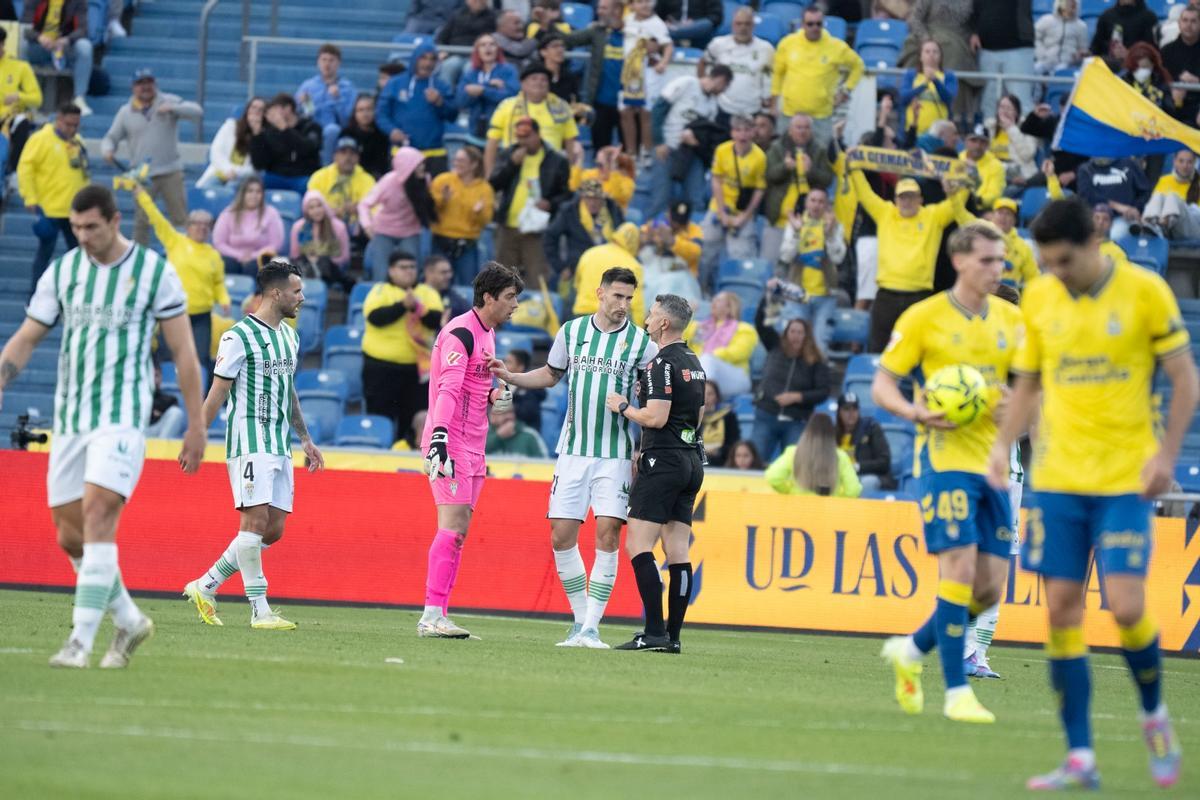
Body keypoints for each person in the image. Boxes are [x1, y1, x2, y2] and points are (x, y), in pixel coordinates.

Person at [988, 197, 1198, 790]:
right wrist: (1002, 447)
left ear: (1092, 242)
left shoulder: (1144, 292)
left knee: (1127, 607)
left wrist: (1166, 455)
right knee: (1061, 611)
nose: (1055, 272)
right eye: (1046, 262)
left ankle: (1154, 712)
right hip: (1056, 480)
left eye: (1062, 261)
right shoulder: (1042, 297)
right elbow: (1027, 384)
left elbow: (1185, 380)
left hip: (1125, 477)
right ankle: (1080, 755)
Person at [0, 184, 207, 668]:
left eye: (91, 226)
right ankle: (130, 621)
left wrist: (196, 424)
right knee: (70, 537)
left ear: (114, 221)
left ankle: (79, 643)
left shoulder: (154, 273)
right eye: (76, 227)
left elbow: (183, 354)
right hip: (72, 419)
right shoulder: (65, 271)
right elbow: (28, 337)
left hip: (121, 417)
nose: (83, 236)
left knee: (97, 514)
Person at [873, 220, 1024, 725]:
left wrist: (1016, 414)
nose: (995, 269)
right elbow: (883, 385)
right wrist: (915, 413)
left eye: (1000, 260)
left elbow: (1031, 393)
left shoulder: (1011, 320)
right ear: (959, 260)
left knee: (988, 591)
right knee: (958, 571)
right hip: (943, 460)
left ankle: (911, 651)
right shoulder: (924, 318)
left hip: (995, 464)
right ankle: (957, 693)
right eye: (986, 260)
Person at [492, 268, 656, 646]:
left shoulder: (641, 344)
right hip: (573, 451)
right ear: (599, 293)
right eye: (617, 296)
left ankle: (592, 627)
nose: (624, 305)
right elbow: (551, 375)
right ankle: (580, 621)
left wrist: (643, 446)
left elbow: (652, 400)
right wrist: (513, 378)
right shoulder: (572, 332)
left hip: (614, 455)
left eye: (630, 298)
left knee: (608, 533)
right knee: (562, 535)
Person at [182, 260, 323, 631]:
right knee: (254, 520)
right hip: (249, 439)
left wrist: (305, 438)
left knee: (273, 529)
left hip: (279, 442)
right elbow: (218, 392)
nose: (302, 298)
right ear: (275, 293)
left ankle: (205, 585)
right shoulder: (237, 336)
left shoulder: (290, 337)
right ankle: (260, 610)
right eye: (296, 291)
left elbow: (289, 391)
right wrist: (196, 432)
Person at [418, 262, 524, 638]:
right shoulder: (460, 333)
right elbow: (446, 389)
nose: (515, 305)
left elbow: (471, 387)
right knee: (452, 528)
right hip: (452, 442)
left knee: (459, 532)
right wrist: (440, 437)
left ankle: (440, 613)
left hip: (474, 446)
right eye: (510, 297)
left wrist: (494, 394)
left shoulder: (487, 334)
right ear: (489, 296)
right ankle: (431, 615)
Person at [606, 293, 705, 653]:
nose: (646, 321)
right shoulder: (694, 361)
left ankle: (653, 632)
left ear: (664, 323)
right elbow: (696, 417)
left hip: (663, 461)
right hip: (692, 460)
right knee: (677, 551)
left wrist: (625, 407)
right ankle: (672, 637)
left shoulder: (661, 363)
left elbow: (657, 418)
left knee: (637, 545)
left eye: (651, 316)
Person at [847, 160, 968, 353]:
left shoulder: (933, 216)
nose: (907, 201)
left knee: (920, 352)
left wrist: (964, 176)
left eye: (912, 197)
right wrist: (854, 168)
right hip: (886, 296)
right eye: (902, 197)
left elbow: (958, 204)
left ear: (921, 199)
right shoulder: (885, 213)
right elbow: (865, 194)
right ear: (895, 200)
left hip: (919, 297)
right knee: (877, 352)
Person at [125, 182, 230, 380]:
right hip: (175, 312)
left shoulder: (213, 255)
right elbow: (156, 218)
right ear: (188, 227)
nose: (201, 228)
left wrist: (223, 299)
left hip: (201, 316)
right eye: (196, 224)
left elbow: (218, 283)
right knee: (166, 356)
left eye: (205, 225)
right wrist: (142, 196)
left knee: (199, 360)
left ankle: (198, 403)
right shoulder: (175, 241)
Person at [102, 68, 201, 246]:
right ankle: (140, 261)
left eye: (148, 82)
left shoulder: (168, 101)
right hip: (141, 176)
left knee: (180, 218)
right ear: (133, 87)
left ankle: (186, 256)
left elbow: (197, 112)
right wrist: (108, 149)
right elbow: (111, 137)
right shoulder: (126, 111)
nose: (145, 87)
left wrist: (173, 108)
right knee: (141, 221)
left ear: (154, 84)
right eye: (140, 83)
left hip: (171, 170)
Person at [362, 250, 444, 442]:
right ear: (391, 270)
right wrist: (402, 305)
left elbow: (436, 321)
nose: (409, 271)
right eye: (403, 267)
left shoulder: (427, 293)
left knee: (414, 420)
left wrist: (416, 307)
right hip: (380, 369)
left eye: (412, 267)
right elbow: (376, 318)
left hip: (416, 371)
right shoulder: (379, 291)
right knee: (380, 417)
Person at [489, 116, 571, 285]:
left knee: (536, 278)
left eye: (527, 137)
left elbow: (566, 195)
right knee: (503, 280)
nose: (523, 141)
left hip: (537, 228)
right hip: (508, 226)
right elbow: (493, 185)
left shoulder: (557, 159)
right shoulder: (509, 154)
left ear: (538, 134)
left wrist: (550, 204)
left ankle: (536, 310)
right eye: (520, 137)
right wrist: (511, 164)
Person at [17, 102, 87, 294]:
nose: (72, 129)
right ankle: (35, 298)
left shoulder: (78, 142)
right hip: (49, 208)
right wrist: (29, 197)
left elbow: (82, 174)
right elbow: (25, 168)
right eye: (68, 124)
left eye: (76, 125)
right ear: (58, 119)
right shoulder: (41, 139)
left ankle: (76, 296)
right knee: (44, 254)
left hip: (74, 210)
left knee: (81, 256)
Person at [771, 5, 864, 147]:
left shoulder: (836, 46)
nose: (815, 27)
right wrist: (773, 103)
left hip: (821, 115)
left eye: (818, 24)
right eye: (810, 24)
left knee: (820, 160)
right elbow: (777, 74)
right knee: (786, 157)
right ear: (802, 25)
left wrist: (846, 90)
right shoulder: (787, 43)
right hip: (790, 113)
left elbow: (858, 65)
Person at [751, 307, 830, 461]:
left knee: (794, 465)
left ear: (807, 336)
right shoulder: (775, 346)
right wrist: (768, 297)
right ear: (786, 333)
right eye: (792, 331)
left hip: (797, 420)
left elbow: (824, 391)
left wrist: (798, 397)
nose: (796, 336)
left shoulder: (816, 361)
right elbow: (760, 323)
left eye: (800, 332)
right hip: (766, 414)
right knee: (756, 460)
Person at [699, 115, 766, 293]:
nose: (742, 135)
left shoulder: (759, 157)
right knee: (707, 253)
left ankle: (737, 295)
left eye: (746, 130)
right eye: (738, 130)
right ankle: (704, 289)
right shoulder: (722, 150)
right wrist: (721, 212)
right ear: (732, 132)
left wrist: (745, 217)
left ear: (753, 132)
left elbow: (759, 189)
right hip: (719, 207)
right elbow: (716, 180)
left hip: (743, 213)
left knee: (741, 256)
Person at [653, 66, 732, 215]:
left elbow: (708, 136)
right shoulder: (686, 83)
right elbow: (658, 109)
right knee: (660, 199)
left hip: (691, 153)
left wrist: (696, 143)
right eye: (725, 85)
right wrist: (659, 142)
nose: (724, 90)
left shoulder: (713, 104)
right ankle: (650, 233)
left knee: (696, 199)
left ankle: (692, 236)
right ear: (720, 79)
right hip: (668, 146)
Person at [762, 114, 836, 264]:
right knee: (770, 264)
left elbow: (828, 180)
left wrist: (811, 171)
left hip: (808, 223)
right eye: (798, 127)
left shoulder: (820, 150)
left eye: (806, 127)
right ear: (790, 130)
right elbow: (768, 175)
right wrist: (785, 167)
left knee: (800, 267)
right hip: (777, 219)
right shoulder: (777, 147)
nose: (802, 131)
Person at [484, 62, 580, 177]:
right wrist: (489, 175)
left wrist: (568, 173)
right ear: (523, 84)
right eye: (534, 79)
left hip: (550, 172)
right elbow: (492, 143)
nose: (539, 83)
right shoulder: (507, 106)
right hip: (514, 169)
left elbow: (570, 141)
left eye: (544, 79)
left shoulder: (561, 107)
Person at [378, 41, 457, 176]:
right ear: (415, 58)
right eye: (423, 57)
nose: (427, 63)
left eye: (432, 59)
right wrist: (391, 131)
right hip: (402, 153)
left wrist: (439, 102)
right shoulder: (395, 83)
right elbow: (381, 114)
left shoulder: (442, 86)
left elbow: (453, 115)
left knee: (434, 196)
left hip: (434, 154)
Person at [359, 147, 434, 281]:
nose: (423, 167)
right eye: (418, 165)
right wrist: (367, 225)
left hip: (410, 231)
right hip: (384, 231)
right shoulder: (388, 182)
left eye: (423, 163)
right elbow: (364, 204)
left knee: (410, 274)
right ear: (407, 167)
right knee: (381, 274)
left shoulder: (425, 181)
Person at [563, 0, 629, 150]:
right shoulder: (596, 32)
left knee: (628, 156)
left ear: (617, 11)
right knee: (599, 153)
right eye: (598, 8)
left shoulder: (635, 33)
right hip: (600, 104)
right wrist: (548, 23)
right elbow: (568, 40)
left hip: (628, 106)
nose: (599, 11)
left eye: (604, 8)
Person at [430, 145, 495, 286]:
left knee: (468, 284)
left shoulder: (484, 188)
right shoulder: (443, 180)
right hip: (441, 240)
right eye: (456, 160)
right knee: (437, 283)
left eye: (461, 160)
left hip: (467, 244)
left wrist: (478, 213)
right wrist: (442, 200)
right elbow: (430, 210)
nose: (456, 163)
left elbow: (486, 220)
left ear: (474, 164)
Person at [620, 0, 673, 165]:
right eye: (640, 2)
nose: (645, 5)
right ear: (632, 5)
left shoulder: (657, 23)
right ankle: (631, 152)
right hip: (629, 73)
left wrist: (664, 62)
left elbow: (668, 45)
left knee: (646, 113)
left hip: (649, 73)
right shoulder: (627, 20)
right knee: (626, 111)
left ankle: (647, 151)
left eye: (647, 2)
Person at [699, 6, 775, 120]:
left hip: (752, 111)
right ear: (732, 25)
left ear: (753, 25)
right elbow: (703, 62)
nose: (742, 28)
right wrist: (704, 84)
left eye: (747, 24)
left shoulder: (766, 49)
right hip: (722, 109)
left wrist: (769, 105)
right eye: (738, 23)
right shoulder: (718, 44)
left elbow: (771, 79)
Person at [21, 0, 93, 115]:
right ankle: (24, 98)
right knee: (22, 46)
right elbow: (25, 28)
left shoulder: (78, 2)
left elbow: (83, 30)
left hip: (64, 47)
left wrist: (66, 40)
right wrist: (39, 37)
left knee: (85, 47)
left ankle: (79, 98)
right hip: (40, 47)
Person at [765, 412, 863, 498]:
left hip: (797, 512)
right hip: (829, 513)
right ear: (832, 432)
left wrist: (789, 492)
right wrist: (836, 500)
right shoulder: (841, 457)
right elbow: (853, 490)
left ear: (807, 431)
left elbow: (773, 477)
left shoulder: (793, 452)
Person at [545, 177, 624, 279]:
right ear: (582, 198)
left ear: (602, 198)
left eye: (596, 198)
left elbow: (623, 235)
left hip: (610, 270)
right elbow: (550, 237)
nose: (592, 203)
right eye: (588, 198)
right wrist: (560, 267)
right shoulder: (569, 211)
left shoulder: (612, 209)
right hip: (579, 270)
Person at [969, 0, 1036, 118]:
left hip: (1019, 48)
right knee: (988, 100)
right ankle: (988, 133)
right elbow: (974, 10)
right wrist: (973, 32)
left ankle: (1023, 134)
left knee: (1020, 99)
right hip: (986, 49)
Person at [684, 291, 757, 398]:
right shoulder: (700, 326)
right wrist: (688, 315)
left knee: (707, 359)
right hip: (701, 372)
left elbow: (739, 352)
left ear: (729, 308)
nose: (713, 302)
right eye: (713, 299)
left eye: (718, 300)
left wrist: (708, 356)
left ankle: (700, 401)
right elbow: (680, 339)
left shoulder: (745, 329)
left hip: (735, 378)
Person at [295, 43, 358, 165]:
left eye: (331, 60)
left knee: (331, 130)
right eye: (323, 60)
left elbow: (349, 118)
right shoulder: (307, 86)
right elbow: (298, 114)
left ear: (338, 63)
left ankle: (326, 168)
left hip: (336, 131)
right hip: (311, 128)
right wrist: (302, 104)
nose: (327, 64)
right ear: (318, 62)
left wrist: (337, 99)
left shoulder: (348, 88)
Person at [249, 93, 322, 194]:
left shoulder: (310, 126)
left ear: (288, 108)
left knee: (309, 186)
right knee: (255, 186)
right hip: (277, 175)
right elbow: (259, 164)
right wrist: (257, 135)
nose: (272, 115)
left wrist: (284, 128)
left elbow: (308, 148)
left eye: (276, 110)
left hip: (303, 175)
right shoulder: (270, 131)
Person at [572, 222, 646, 322]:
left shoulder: (590, 253)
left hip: (582, 314)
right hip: (610, 318)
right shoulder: (633, 265)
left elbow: (576, 285)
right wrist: (638, 332)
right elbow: (636, 303)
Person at [212, 176, 285, 276]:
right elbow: (219, 243)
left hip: (260, 258)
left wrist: (253, 256)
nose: (254, 195)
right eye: (250, 191)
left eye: (258, 192)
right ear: (242, 194)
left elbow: (275, 244)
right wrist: (239, 255)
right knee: (227, 264)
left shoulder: (271, 213)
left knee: (253, 267)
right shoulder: (228, 213)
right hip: (232, 257)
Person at [306, 136, 377, 236]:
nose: (348, 158)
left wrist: (359, 209)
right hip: (327, 224)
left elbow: (374, 208)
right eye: (343, 153)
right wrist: (333, 211)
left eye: (352, 154)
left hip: (358, 228)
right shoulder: (319, 177)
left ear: (358, 158)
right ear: (335, 156)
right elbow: (310, 206)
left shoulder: (367, 179)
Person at [456, 34, 520, 145]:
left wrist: (482, 91)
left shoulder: (509, 70)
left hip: (501, 134)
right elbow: (460, 101)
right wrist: (488, 86)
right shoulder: (471, 73)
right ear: (477, 51)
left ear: (498, 50)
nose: (488, 48)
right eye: (483, 45)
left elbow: (512, 96)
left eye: (492, 44)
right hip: (475, 133)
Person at [0, 25, 43, 182]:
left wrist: (19, 96)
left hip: (10, 117)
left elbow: (37, 98)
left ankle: (13, 173)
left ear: (3, 44)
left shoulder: (20, 67)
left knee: (22, 122)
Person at [1076, 156, 1150, 241]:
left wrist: (1136, 208)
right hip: (1096, 217)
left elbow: (1145, 191)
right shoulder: (1085, 169)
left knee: (1116, 235)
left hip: (1122, 218)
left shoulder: (1129, 164)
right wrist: (1117, 206)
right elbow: (1086, 197)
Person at [196, 97, 264, 189]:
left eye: (260, 110)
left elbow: (257, 166)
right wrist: (228, 170)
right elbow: (216, 152)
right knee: (207, 188)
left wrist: (257, 133)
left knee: (231, 187)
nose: (256, 112)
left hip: (245, 178)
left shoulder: (264, 137)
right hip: (221, 172)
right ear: (247, 110)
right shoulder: (230, 126)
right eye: (253, 107)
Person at [834, 392, 891, 493]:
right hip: (840, 476)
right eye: (847, 409)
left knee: (866, 483)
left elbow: (884, 462)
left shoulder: (871, 428)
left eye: (855, 409)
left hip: (865, 475)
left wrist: (857, 466)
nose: (851, 413)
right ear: (839, 412)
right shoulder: (832, 433)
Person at [901, 39, 958, 140]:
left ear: (940, 57)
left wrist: (935, 81)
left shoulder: (948, 76)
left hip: (940, 135)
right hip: (913, 131)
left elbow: (949, 98)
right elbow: (903, 97)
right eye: (927, 51)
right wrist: (924, 85)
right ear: (920, 56)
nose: (931, 55)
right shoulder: (911, 75)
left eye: (935, 52)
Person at [288, 191, 350, 284]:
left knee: (323, 262)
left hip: (331, 268)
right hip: (305, 265)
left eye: (319, 206)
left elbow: (344, 257)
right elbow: (295, 255)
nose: (316, 210)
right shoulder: (298, 227)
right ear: (306, 210)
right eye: (311, 208)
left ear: (324, 206)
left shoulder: (338, 227)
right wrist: (310, 260)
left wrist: (320, 259)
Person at [436, 0, 499, 89]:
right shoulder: (457, 15)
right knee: (449, 66)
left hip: (479, 56)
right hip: (455, 54)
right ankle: (446, 98)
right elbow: (441, 38)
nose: (479, 1)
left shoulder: (494, 17)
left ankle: (466, 99)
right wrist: (442, 51)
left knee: (469, 68)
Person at [1142, 149, 1200, 239]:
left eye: (1189, 162)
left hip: (1193, 228)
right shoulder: (1164, 180)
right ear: (1174, 162)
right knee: (1158, 196)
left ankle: (1162, 225)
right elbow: (1154, 204)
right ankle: (1149, 224)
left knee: (1173, 197)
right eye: (1181, 161)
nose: (1185, 166)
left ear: (1194, 163)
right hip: (1170, 229)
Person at [986, 197, 1039, 291]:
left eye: (1008, 214)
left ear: (1014, 220)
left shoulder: (1023, 246)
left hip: (1009, 296)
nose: (1003, 217)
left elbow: (1033, 278)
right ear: (993, 216)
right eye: (1000, 212)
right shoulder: (981, 238)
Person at [985, 94, 1039, 186]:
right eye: (1002, 107)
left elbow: (1027, 155)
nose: (1005, 111)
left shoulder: (1029, 128)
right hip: (995, 171)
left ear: (1016, 112)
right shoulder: (990, 128)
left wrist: (1012, 129)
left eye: (1009, 108)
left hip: (1018, 172)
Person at [1161, 6, 1200, 125]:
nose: (1188, 25)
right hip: (1172, 102)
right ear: (1179, 23)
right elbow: (1158, 81)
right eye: (1185, 20)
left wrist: (1197, 81)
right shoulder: (1166, 51)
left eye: (1193, 21)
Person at [339, 95, 391, 180]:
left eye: (369, 109)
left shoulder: (382, 136)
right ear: (354, 113)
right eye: (360, 110)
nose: (365, 114)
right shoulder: (346, 134)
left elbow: (382, 166)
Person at [569, 145, 636, 211]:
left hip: (614, 217)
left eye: (600, 165)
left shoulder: (626, 181)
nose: (598, 168)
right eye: (597, 164)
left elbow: (615, 197)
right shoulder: (592, 174)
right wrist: (579, 160)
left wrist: (613, 171)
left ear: (611, 164)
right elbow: (573, 186)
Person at [1090, 0, 1159, 61]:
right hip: (1109, 68)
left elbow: (1152, 51)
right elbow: (1096, 48)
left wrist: (1130, 55)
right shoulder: (1106, 16)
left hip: (1138, 68)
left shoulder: (1149, 18)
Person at [960, 124, 1006, 212]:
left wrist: (977, 200)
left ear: (988, 145)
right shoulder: (956, 159)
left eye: (982, 142)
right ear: (965, 142)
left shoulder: (996, 165)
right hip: (956, 207)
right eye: (974, 140)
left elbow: (994, 194)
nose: (978, 146)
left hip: (980, 208)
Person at [1034, 0, 1089, 74]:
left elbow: (1083, 48)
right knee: (1034, 70)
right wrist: (1042, 54)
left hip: (1067, 64)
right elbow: (1035, 38)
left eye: (1073, 4)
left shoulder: (1081, 26)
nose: (1070, 5)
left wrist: (1078, 56)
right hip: (1045, 60)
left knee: (1062, 72)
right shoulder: (1046, 20)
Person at [700, 381, 740, 466]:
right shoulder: (692, 418)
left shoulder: (728, 417)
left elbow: (734, 443)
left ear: (717, 397)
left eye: (710, 394)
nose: (706, 397)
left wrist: (718, 451)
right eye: (703, 393)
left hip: (722, 462)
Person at [422, 253, 473, 320]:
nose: (449, 276)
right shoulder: (416, 295)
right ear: (429, 273)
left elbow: (472, 318)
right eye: (444, 272)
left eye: (450, 271)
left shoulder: (454, 298)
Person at [485, 406, 550, 457]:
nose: (509, 416)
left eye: (511, 412)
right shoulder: (483, 434)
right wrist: (498, 437)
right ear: (492, 416)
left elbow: (544, 463)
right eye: (503, 412)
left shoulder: (529, 435)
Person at [658, 0, 723, 50]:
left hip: (697, 28)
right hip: (671, 26)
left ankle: (677, 32)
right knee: (656, 25)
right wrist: (664, 22)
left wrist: (695, 22)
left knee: (706, 24)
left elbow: (716, 17)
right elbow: (657, 15)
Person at [145, 362, 186, 440]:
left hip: (159, 433)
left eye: (157, 375)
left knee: (176, 412)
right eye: (151, 375)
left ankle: (159, 449)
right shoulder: (135, 398)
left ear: (161, 377)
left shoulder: (170, 400)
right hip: (140, 433)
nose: (154, 379)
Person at [536, 33, 580, 104]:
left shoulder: (569, 76)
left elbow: (576, 100)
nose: (560, 50)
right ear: (543, 52)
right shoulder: (535, 76)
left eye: (562, 46)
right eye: (555, 46)